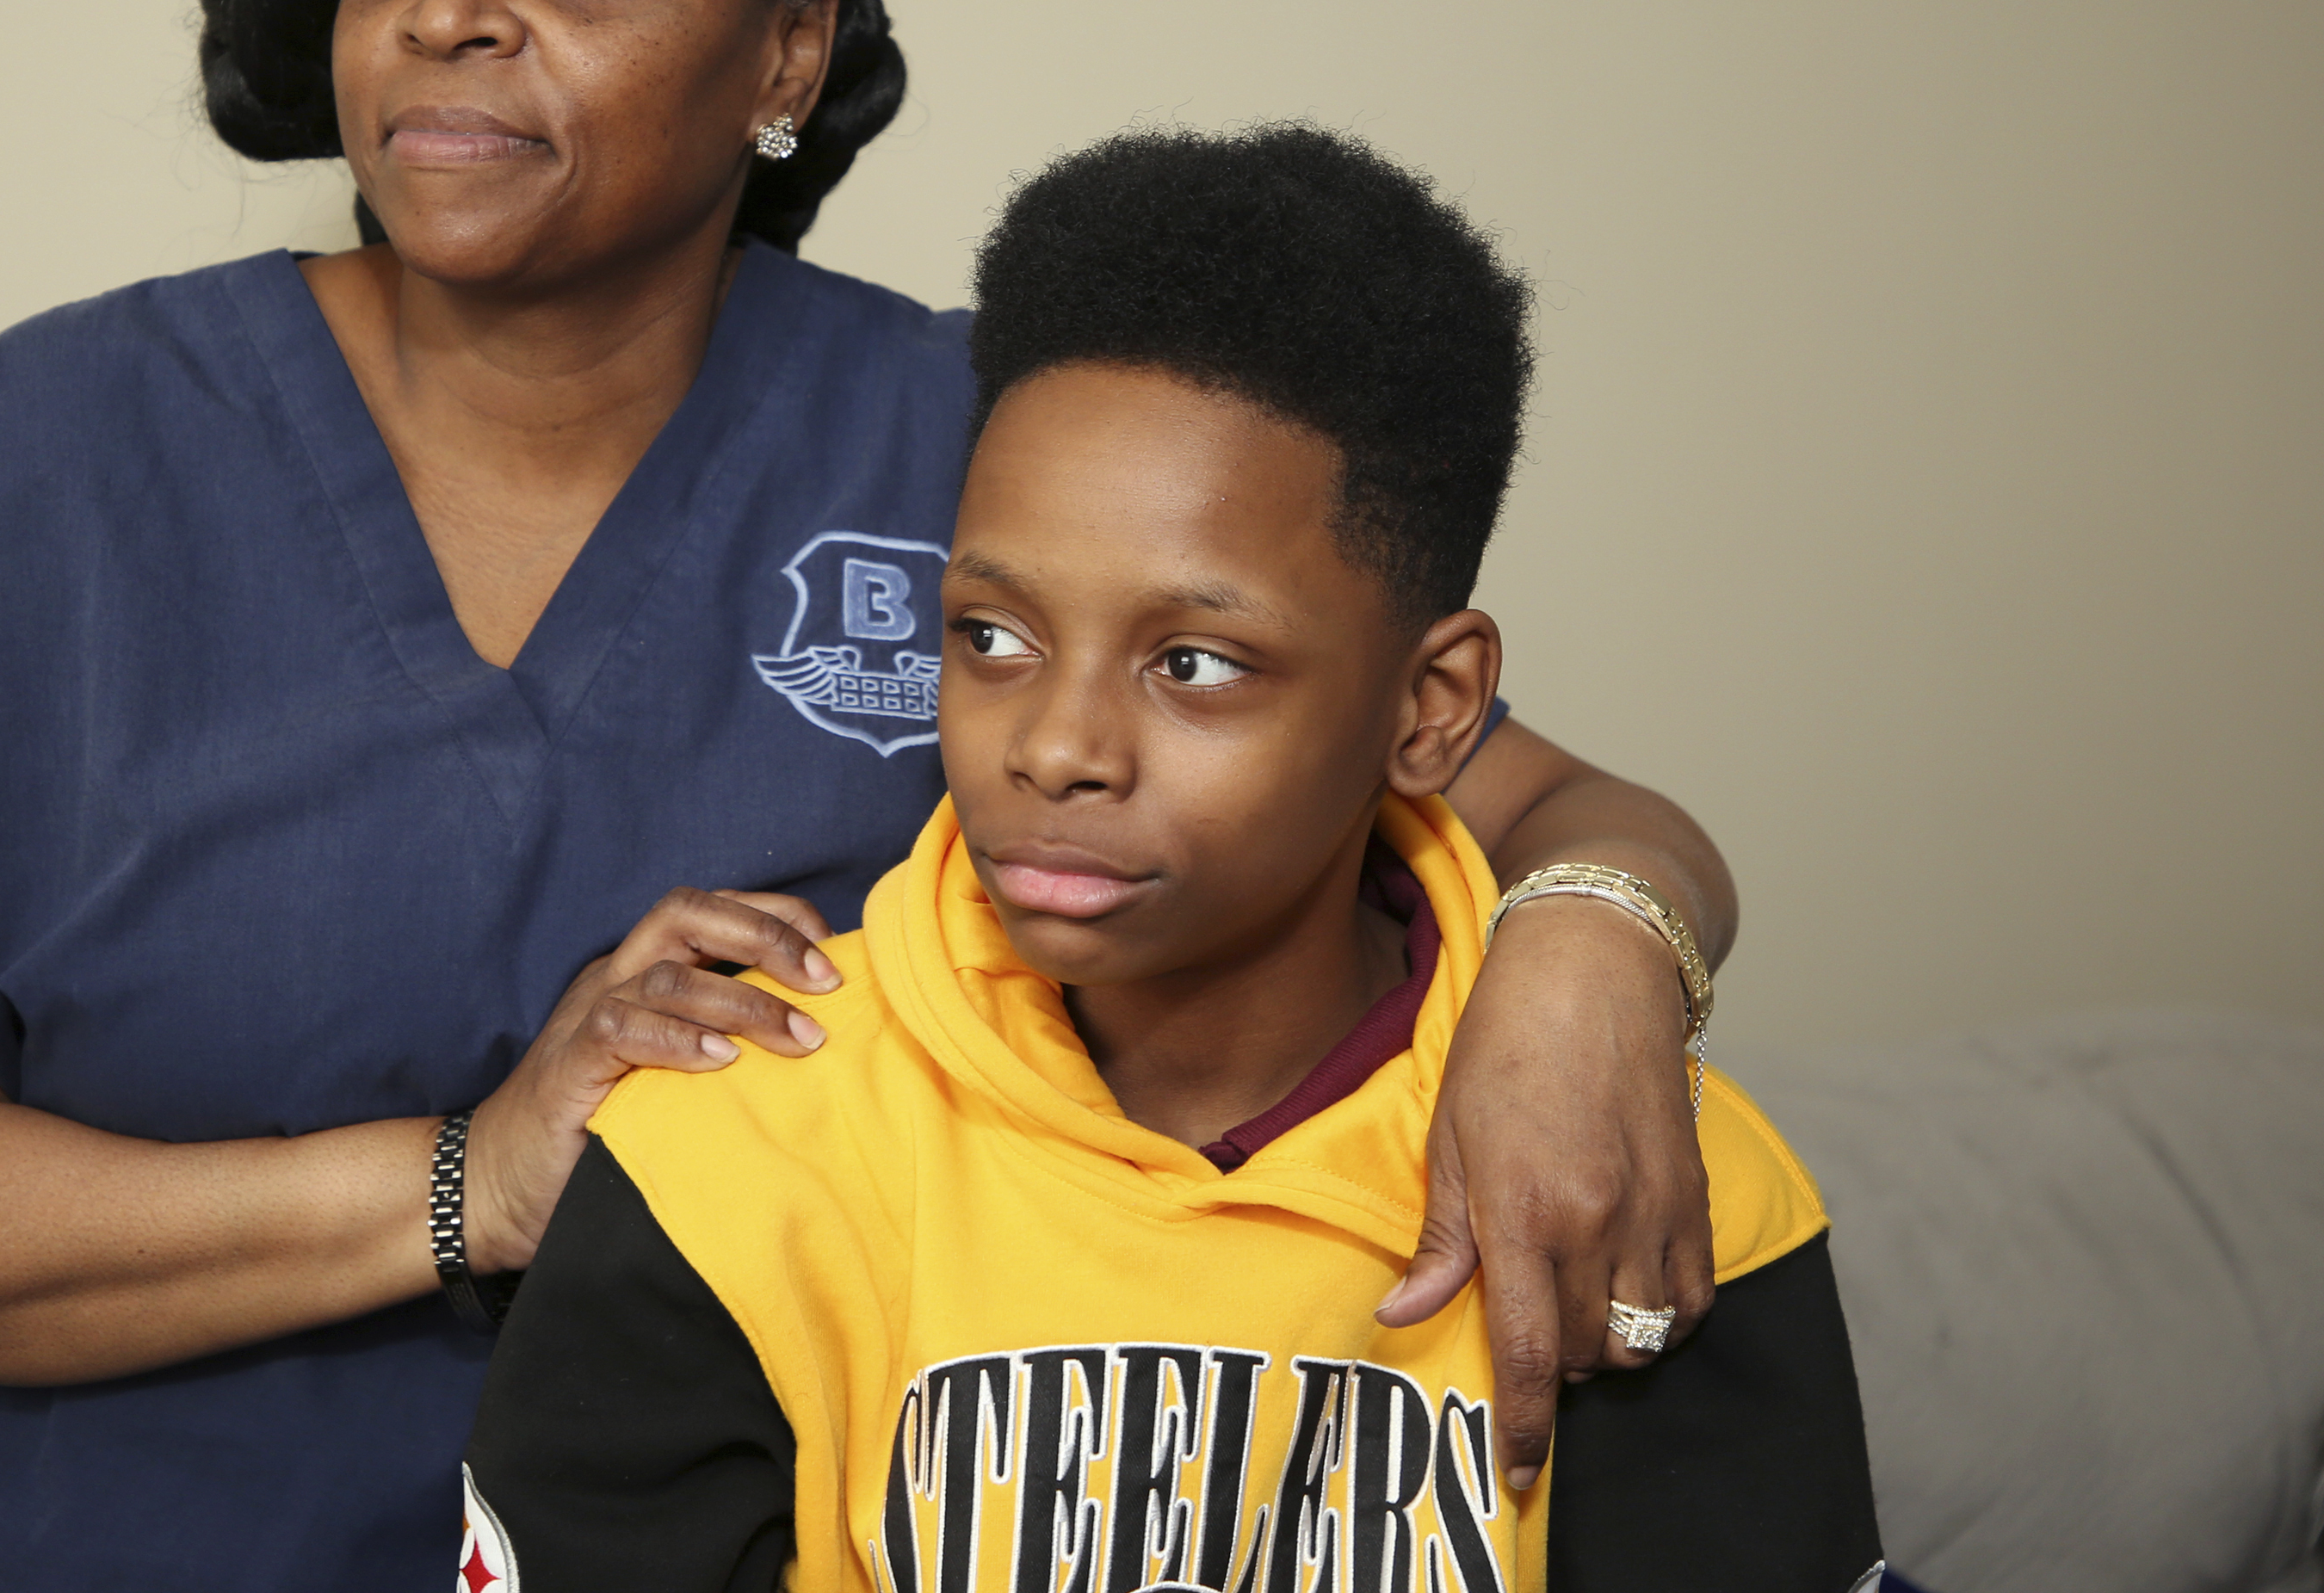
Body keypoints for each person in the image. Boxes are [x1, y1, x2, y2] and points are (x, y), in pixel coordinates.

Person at [0, 0, 1745, 1590]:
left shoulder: (978, 443)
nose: (454, 14)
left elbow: (1541, 802)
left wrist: (1589, 966)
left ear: (782, 53)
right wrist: (467, 1182)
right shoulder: (55, 448)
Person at [463, 124, 1882, 1592]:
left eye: (1194, 663)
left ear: (1429, 708)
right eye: (992, 639)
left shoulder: (1630, 1162)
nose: (1058, 747)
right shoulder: (734, 1151)